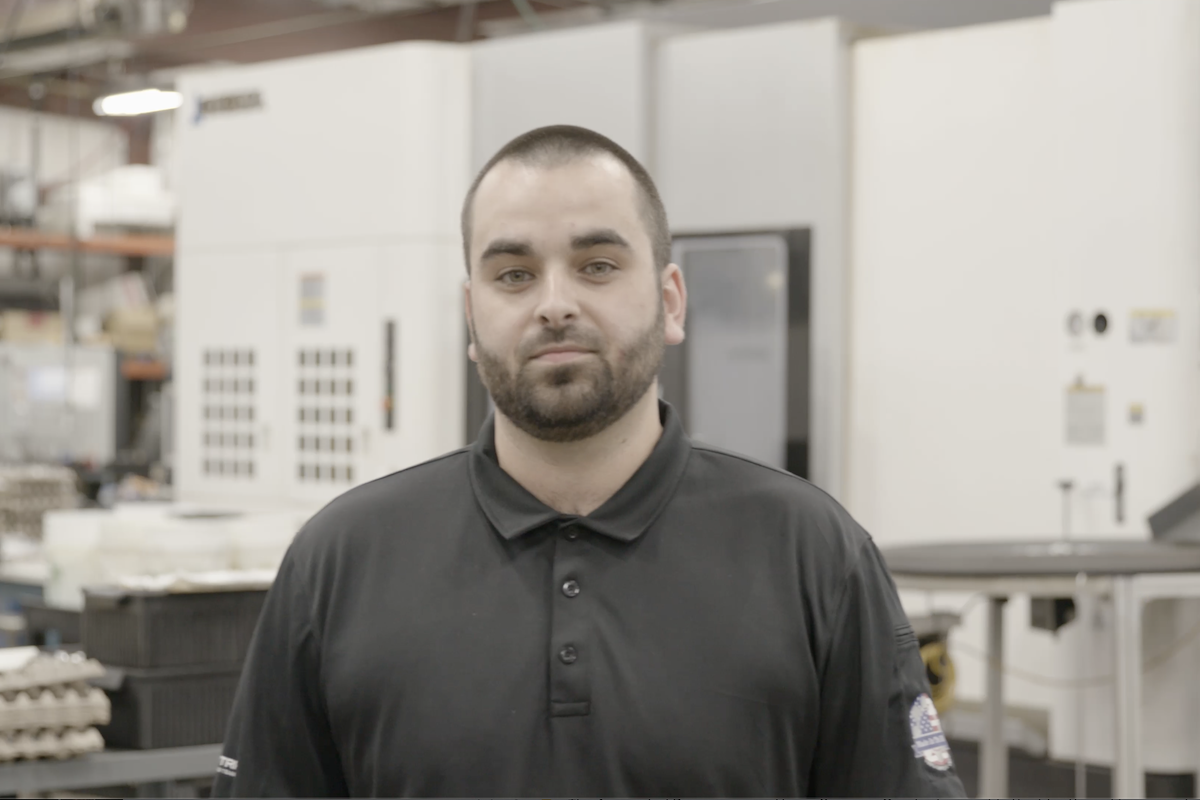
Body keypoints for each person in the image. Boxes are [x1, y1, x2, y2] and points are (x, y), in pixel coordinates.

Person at [211, 124, 967, 798]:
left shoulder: (812, 555)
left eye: (597, 265)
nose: (554, 303)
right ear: (472, 316)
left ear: (670, 301)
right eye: (513, 274)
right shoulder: (340, 561)